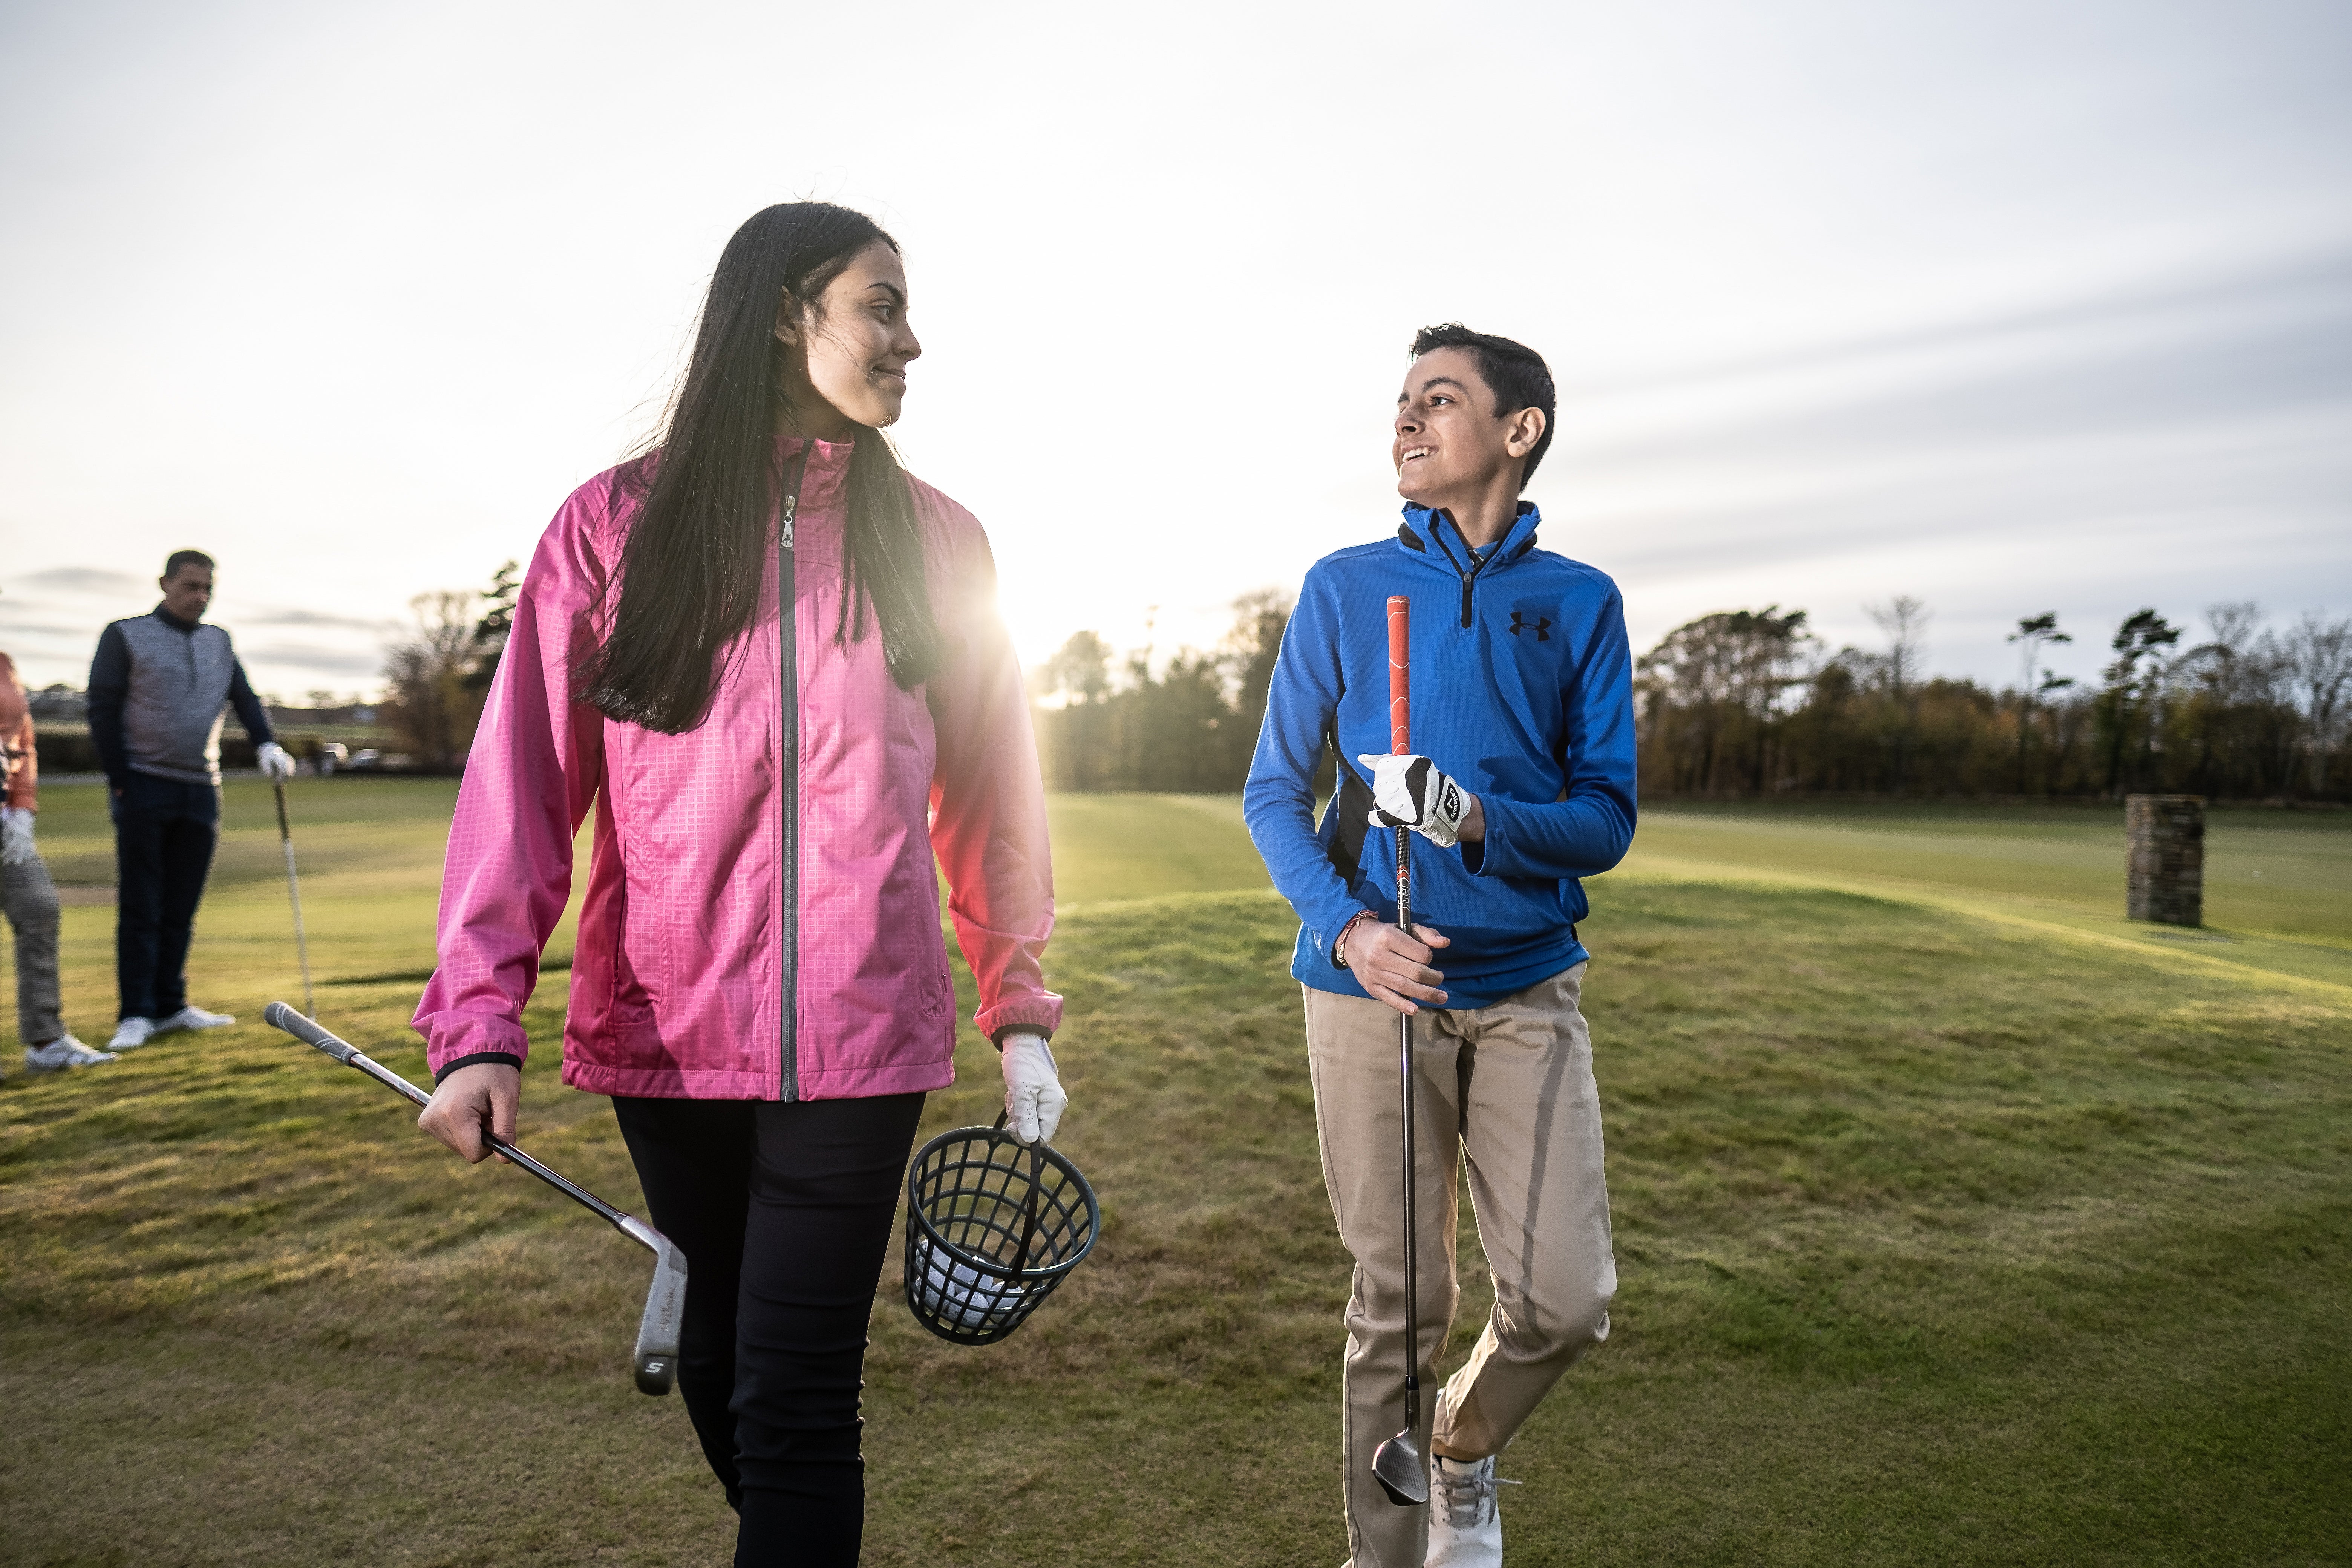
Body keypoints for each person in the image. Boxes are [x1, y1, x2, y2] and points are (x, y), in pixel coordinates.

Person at [411, 202, 1067, 1568]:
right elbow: (522, 788)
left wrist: (1016, 1004)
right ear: (785, 310)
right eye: (882, 304)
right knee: (716, 1366)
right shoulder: (608, 529)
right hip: (664, 1038)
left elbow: (995, 791)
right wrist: (479, 1027)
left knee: (796, 1403)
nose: (912, 338)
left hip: (865, 1037)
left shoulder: (941, 541)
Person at [1243, 324, 1636, 1568]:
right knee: (1401, 1305)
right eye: (1402, 402)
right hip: (1370, 991)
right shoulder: (1345, 587)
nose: (1407, 422)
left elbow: (1604, 819)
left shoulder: (1580, 603)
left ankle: (1460, 1450)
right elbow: (1270, 793)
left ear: (1518, 432)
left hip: (1524, 985)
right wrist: (1352, 930)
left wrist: (1466, 818)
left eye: (1441, 400)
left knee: (1567, 1302)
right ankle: (1382, 1557)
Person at [87, 550, 295, 1052]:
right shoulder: (125, 634)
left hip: (202, 788)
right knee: (143, 904)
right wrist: (121, 780)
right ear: (165, 583)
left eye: (207, 588)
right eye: (190, 587)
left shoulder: (218, 640)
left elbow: (244, 697)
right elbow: (102, 708)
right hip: (143, 783)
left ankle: (172, 1005)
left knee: (182, 905)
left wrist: (267, 742)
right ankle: (136, 1013)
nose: (199, 597)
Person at [2, 645, 118, 1077]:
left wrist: (22, 808)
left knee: (38, 907)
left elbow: (22, 740)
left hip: (6, 818)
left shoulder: (4, 664)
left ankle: (47, 1041)